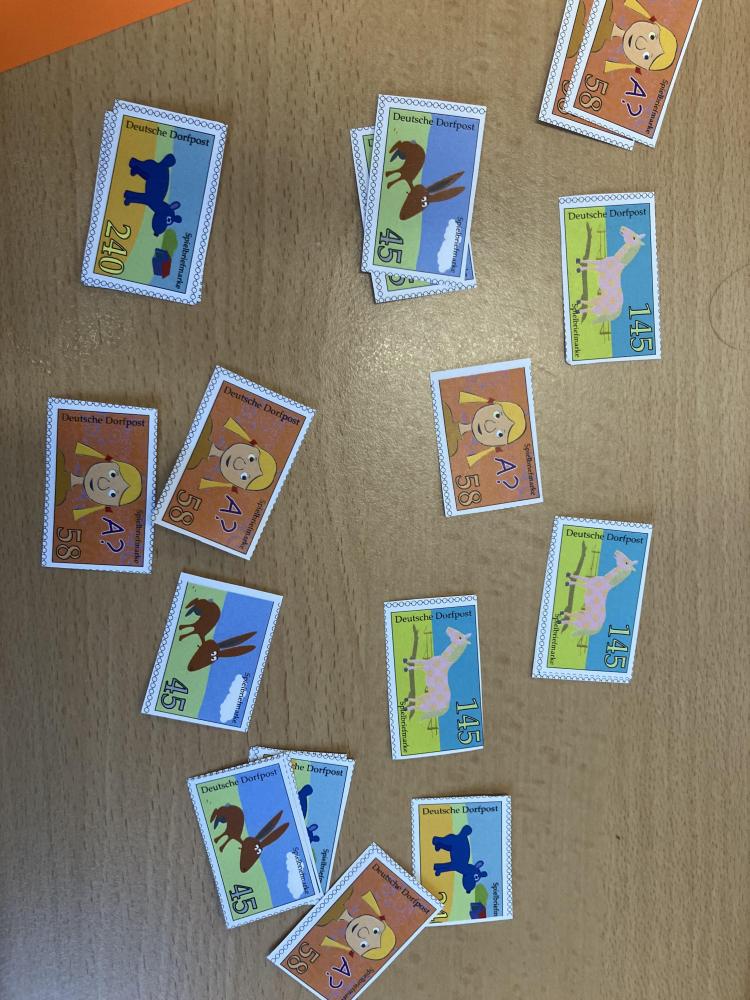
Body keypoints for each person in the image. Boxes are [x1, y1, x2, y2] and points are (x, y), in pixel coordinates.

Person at [186, 415, 277, 492]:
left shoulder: (190, 462)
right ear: (253, 446)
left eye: (244, 477)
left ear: (234, 484)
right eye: (251, 459)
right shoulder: (205, 424)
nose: (239, 464)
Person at [55, 442, 142, 520]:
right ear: (110, 462)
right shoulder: (57, 458)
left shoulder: (58, 499)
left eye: (112, 494)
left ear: (107, 505)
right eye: (112, 474)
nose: (102, 483)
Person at [443, 391, 526, 468]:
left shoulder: (451, 449)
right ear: (491, 404)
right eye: (497, 415)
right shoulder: (443, 411)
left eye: (500, 434)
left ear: (497, 445)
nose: (489, 426)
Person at [318, 887, 396, 961]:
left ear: (353, 949)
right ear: (380, 921)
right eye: (375, 931)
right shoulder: (346, 891)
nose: (362, 933)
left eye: (363, 945)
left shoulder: (321, 920)